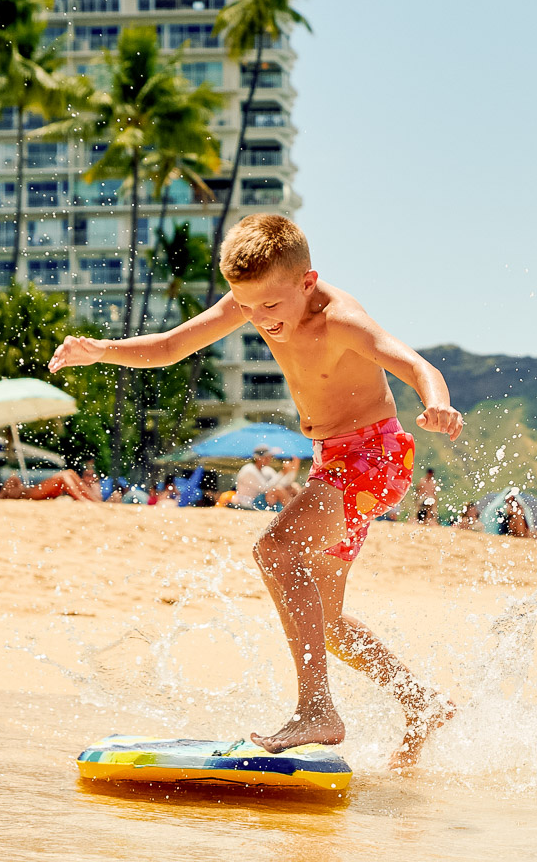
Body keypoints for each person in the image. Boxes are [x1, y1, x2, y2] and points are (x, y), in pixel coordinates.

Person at [50, 213, 462, 764]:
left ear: (307, 283)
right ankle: (422, 702)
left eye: (270, 306)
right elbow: (173, 346)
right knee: (329, 622)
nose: (258, 319)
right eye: (245, 306)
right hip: (335, 460)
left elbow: (413, 363)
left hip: (374, 456)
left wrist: (436, 401)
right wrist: (102, 350)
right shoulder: (253, 300)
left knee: (276, 549)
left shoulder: (340, 320)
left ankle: (317, 710)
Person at [231, 445, 300, 511]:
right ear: (257, 458)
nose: (269, 459)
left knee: (293, 486)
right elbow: (265, 489)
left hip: (261, 499)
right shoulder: (249, 470)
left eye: (269, 457)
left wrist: (293, 470)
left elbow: (284, 483)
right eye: (266, 457)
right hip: (251, 503)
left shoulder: (266, 470)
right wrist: (283, 472)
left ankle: (302, 507)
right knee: (277, 490)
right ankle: (294, 510)